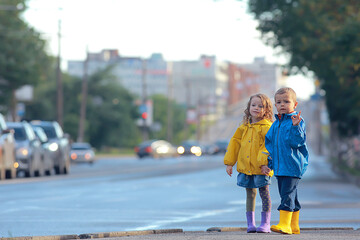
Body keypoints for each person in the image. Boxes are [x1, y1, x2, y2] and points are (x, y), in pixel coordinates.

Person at [224, 93, 274, 233]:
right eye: (253, 105)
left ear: (266, 110)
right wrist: (230, 163)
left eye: (260, 106)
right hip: (246, 168)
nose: (256, 108)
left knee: (264, 193)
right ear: (248, 107)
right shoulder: (243, 127)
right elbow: (235, 144)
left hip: (262, 168)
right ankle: (250, 224)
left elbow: (268, 146)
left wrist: (265, 163)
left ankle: (265, 223)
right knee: (250, 194)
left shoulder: (267, 127)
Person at [262, 87, 309, 235]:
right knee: (291, 195)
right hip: (280, 166)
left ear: (295, 105)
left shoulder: (297, 121)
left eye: (286, 101)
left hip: (293, 165)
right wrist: (269, 163)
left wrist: (296, 126)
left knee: (286, 194)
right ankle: (294, 226)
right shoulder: (276, 124)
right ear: (275, 105)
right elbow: (270, 145)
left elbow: (297, 142)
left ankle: (284, 224)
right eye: (279, 102)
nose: (282, 104)